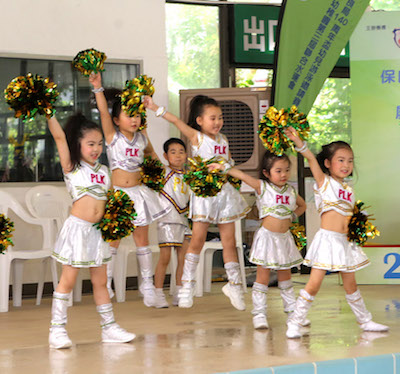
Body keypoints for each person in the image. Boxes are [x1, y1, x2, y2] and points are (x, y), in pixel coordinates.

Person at [144, 95, 250, 310]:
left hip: (224, 194)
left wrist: (225, 167)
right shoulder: (197, 138)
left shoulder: (224, 140)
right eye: (212, 118)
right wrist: (154, 107)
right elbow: (176, 121)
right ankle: (186, 286)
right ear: (200, 120)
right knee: (197, 240)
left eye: (220, 118)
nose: (217, 122)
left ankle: (235, 285)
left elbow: (227, 162)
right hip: (204, 195)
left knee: (228, 242)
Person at [284, 127, 389, 338]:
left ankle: (365, 320)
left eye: (350, 161)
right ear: (328, 163)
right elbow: (311, 160)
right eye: (340, 160)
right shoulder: (324, 183)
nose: (346, 165)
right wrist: (298, 141)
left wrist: (359, 223)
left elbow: (349, 218)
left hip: (344, 242)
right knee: (314, 284)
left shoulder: (349, 190)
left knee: (351, 284)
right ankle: (295, 321)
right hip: (327, 241)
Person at [47, 113, 135, 349]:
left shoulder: (105, 171)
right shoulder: (72, 167)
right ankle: (57, 329)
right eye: (90, 144)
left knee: (101, 282)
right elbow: (58, 136)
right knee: (68, 280)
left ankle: (109, 328)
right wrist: (48, 112)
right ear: (78, 144)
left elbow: (111, 201)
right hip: (77, 230)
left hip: (98, 233)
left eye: (99, 144)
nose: (96, 149)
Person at [89, 73, 170, 307]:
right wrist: (98, 88)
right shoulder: (113, 138)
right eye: (128, 115)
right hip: (118, 195)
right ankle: (107, 282)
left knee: (142, 239)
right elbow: (103, 112)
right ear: (116, 120)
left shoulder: (142, 139)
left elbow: (152, 157)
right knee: (113, 240)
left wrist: (162, 172)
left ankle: (147, 286)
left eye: (136, 115)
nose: (133, 120)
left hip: (139, 193)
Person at [210, 151, 306, 329]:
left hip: (284, 239)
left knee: (285, 276)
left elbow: (302, 205)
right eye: (278, 171)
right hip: (267, 239)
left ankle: (293, 310)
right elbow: (242, 175)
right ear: (266, 173)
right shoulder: (262, 187)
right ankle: (259, 313)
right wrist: (224, 168)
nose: (283, 174)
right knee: (263, 276)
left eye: (286, 170)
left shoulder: (291, 190)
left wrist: (292, 216)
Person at [154, 138, 191, 308]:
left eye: (181, 152)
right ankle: (158, 293)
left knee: (183, 258)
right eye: (173, 152)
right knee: (165, 258)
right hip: (167, 221)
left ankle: (179, 293)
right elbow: (150, 154)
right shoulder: (163, 171)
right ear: (165, 156)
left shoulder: (189, 176)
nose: (177, 155)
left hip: (184, 220)